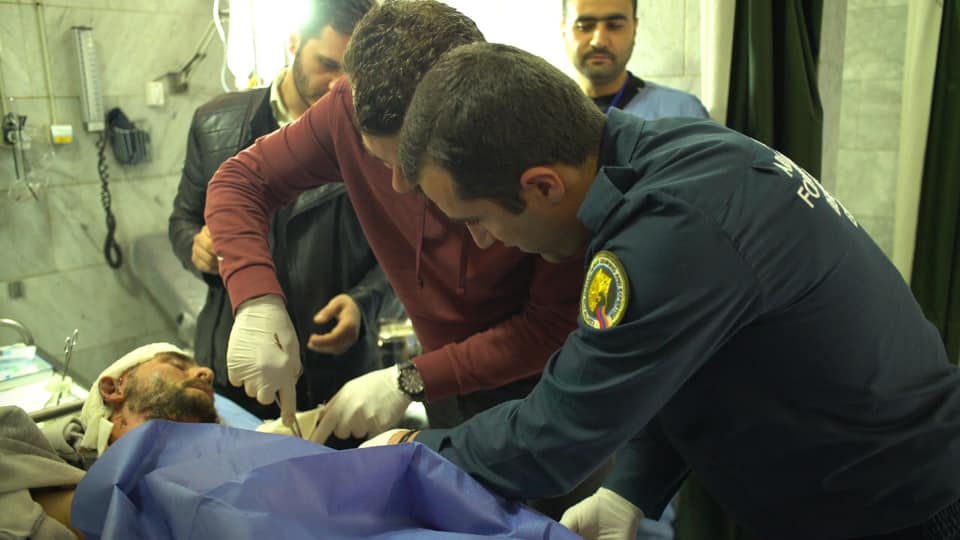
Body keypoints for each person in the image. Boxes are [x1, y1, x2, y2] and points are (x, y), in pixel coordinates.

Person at [369, 42, 960, 540]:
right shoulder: (671, 159)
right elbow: (681, 358)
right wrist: (629, 488)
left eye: (476, 219)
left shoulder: (668, 229)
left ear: (543, 185)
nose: (481, 239)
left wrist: (411, 450)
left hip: (898, 510)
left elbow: (552, 437)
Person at [203, 1, 583, 445]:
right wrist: (256, 298)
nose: (398, 185)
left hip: (547, 383)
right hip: (444, 384)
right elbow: (241, 180)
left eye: (415, 161)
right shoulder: (347, 107)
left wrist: (410, 379)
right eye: (381, 160)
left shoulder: (530, 137)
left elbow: (553, 325)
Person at [168, 0, 399, 431]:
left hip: (335, 362)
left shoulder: (375, 135)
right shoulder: (215, 123)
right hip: (236, 359)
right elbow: (182, 219)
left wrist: (364, 303)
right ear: (294, 42)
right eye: (325, 63)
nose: (338, 85)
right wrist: (195, 246)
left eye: (353, 73)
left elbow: (402, 247)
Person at [2, 343, 220, 538]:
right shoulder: (18, 453)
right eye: (177, 366)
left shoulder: (220, 479)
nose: (207, 372)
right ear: (113, 388)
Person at [563, 0, 708, 119]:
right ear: (564, 30)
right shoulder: (550, 114)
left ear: (634, 28)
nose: (599, 41)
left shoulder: (682, 113)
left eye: (615, 26)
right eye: (584, 27)